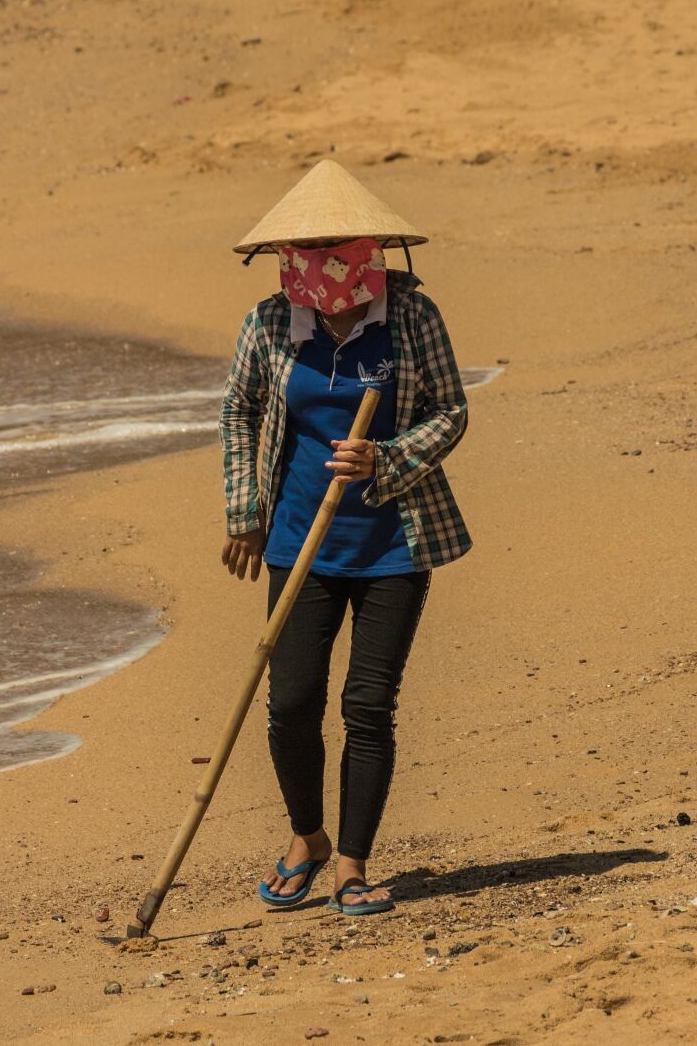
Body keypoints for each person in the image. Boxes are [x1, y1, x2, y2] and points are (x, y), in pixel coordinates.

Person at [219, 160, 472, 915]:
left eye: (341, 244)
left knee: (368, 705)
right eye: (312, 246)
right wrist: (243, 510)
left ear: (371, 249)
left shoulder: (412, 318)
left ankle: (353, 865)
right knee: (291, 700)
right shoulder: (268, 324)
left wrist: (386, 457)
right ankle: (308, 838)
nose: (327, 260)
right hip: (299, 540)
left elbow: (451, 410)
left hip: (395, 539)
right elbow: (239, 409)